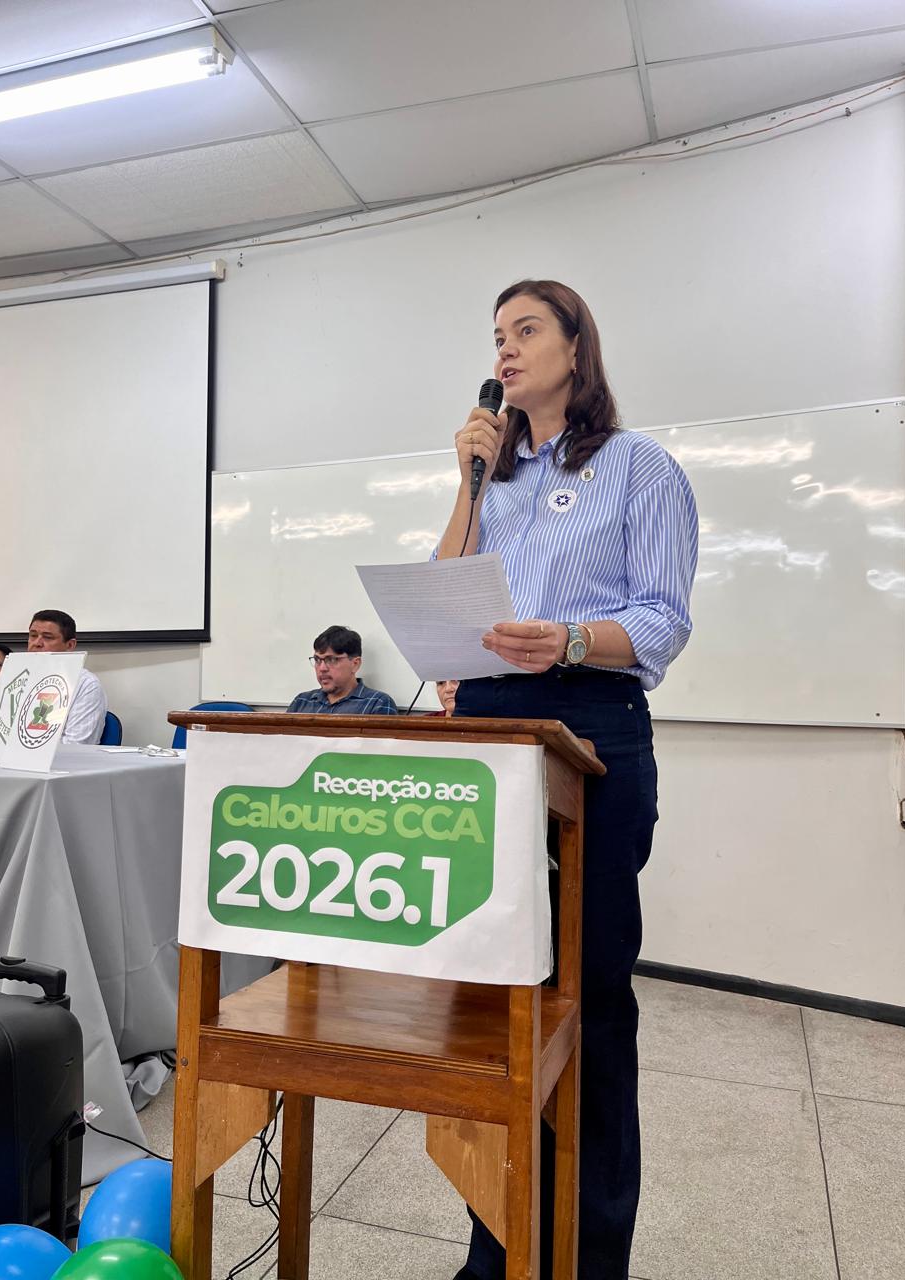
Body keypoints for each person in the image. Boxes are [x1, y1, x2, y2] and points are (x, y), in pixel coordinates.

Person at [437, 280, 698, 1280]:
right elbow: (445, 596)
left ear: (578, 348)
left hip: (589, 725)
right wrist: (468, 481)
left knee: (586, 1003)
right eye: (496, 336)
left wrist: (573, 638)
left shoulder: (637, 467)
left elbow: (662, 617)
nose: (504, 350)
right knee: (494, 1002)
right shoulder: (492, 479)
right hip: (488, 729)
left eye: (527, 330)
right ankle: (496, 1248)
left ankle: (589, 1256)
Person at [27, 610, 108, 745]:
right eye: (33, 635)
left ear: (70, 645)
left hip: (58, 758)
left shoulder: (87, 685)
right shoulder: (20, 679)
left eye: (47, 637)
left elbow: (77, 744)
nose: (37, 643)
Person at [287, 625, 398, 715]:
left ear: (355, 664)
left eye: (331, 660)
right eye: (317, 660)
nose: (322, 668)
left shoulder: (377, 704)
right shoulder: (301, 702)